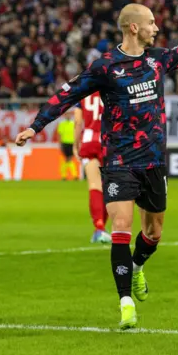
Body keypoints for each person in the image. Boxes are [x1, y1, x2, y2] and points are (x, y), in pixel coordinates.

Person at [15, 0, 178, 329]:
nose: (157, 27)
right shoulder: (105, 67)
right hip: (119, 161)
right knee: (121, 226)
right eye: (152, 22)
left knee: (153, 233)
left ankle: (137, 267)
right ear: (134, 27)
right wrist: (35, 126)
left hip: (153, 162)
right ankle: (125, 304)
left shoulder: (158, 59)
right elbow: (67, 94)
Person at [73, 91, 112, 244]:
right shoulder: (112, 85)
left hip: (89, 139)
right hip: (109, 140)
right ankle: (106, 228)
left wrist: (76, 144)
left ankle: (99, 227)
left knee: (94, 185)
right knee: (110, 187)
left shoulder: (83, 90)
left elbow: (77, 121)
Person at [57, 110, 77, 181]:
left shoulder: (73, 123)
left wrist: (76, 143)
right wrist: (60, 144)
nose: (68, 116)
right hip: (64, 143)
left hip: (72, 143)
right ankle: (69, 176)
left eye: (69, 114)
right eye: (67, 114)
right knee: (66, 159)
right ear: (65, 116)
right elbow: (59, 135)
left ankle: (68, 176)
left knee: (69, 159)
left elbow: (76, 134)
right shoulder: (62, 124)